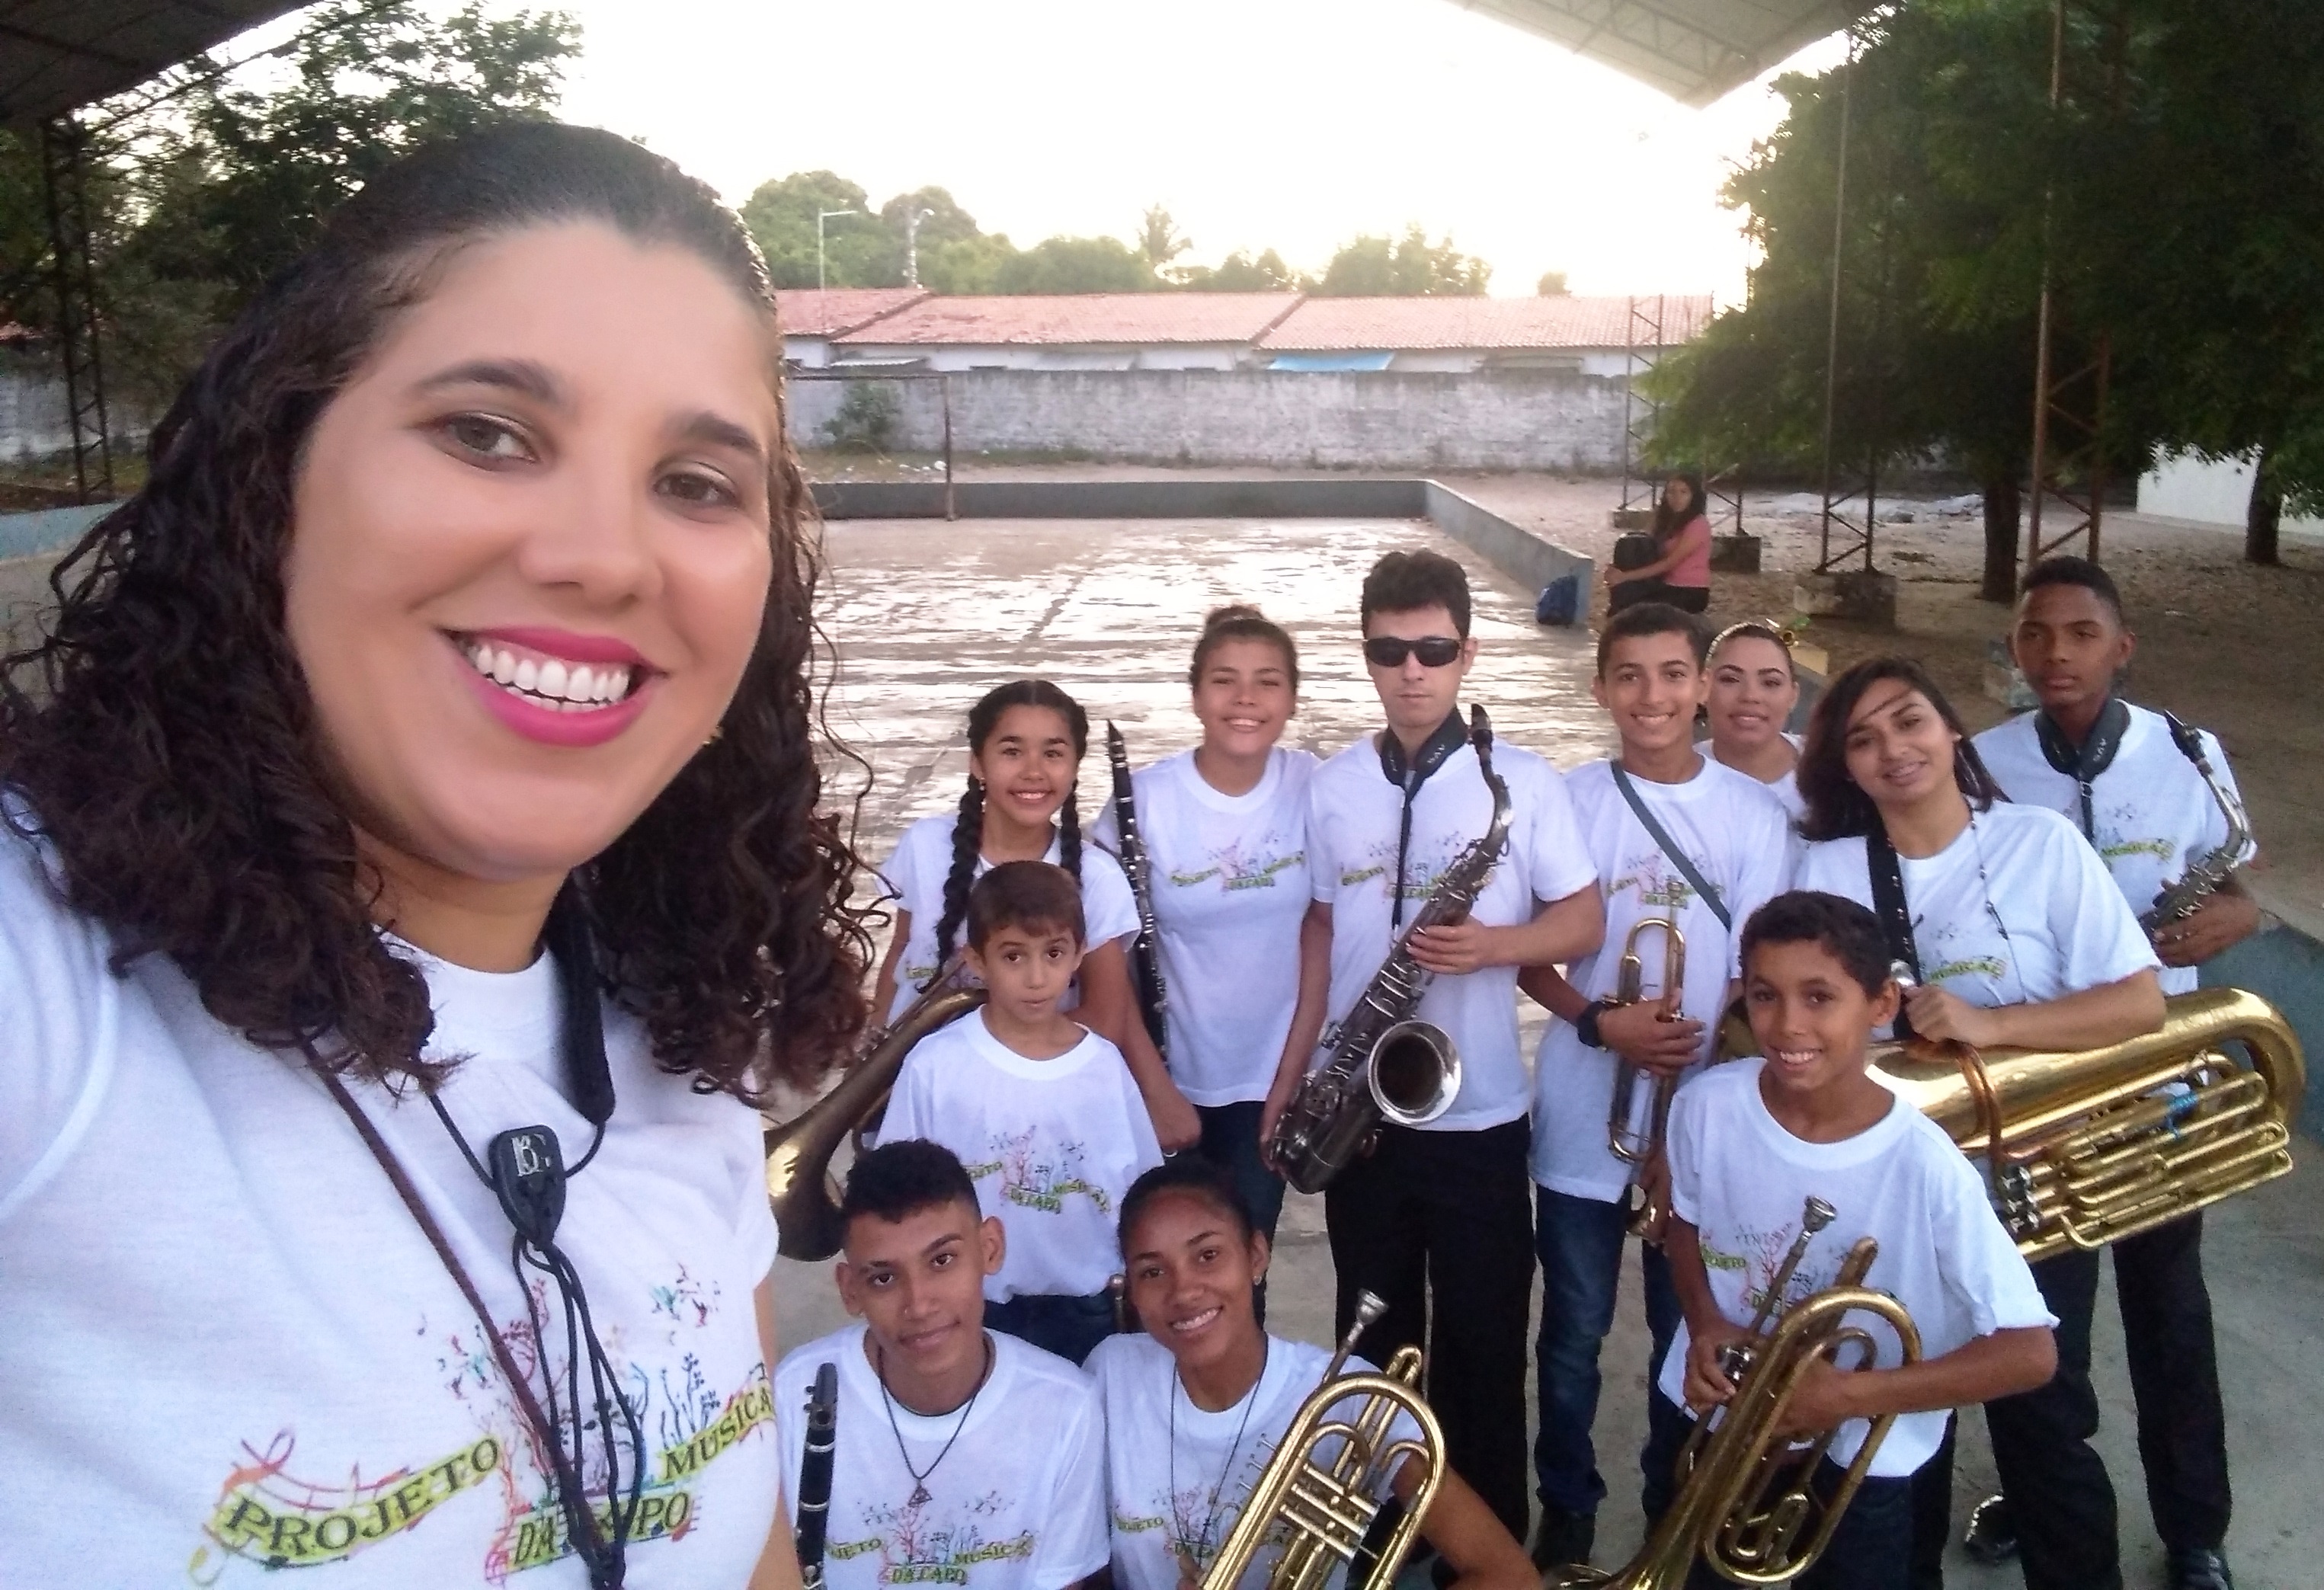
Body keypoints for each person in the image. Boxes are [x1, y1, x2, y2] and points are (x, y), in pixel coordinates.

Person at [0, 123, 864, 1586]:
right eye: (487, 434)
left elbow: (753, 1546)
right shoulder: (50, 985)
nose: (605, 555)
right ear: (276, 464)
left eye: (696, 482)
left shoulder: (682, 1047)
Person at [1793, 655, 2167, 1590]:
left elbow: (2136, 1002)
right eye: (1862, 739)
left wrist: (1993, 1026)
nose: (1892, 749)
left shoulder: (2039, 841)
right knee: (1899, 1423)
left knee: (2044, 1409)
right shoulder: (1830, 867)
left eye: (1908, 720)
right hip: (1894, 1189)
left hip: (2034, 1175)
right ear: (1845, 767)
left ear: (1950, 728)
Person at [1262, 547, 1604, 1539]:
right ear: (1365, 653)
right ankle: (1380, 1527)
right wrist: (1295, 1074)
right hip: (1359, 1114)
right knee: (1370, 1340)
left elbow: (1581, 919)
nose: (1411, 670)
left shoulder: (1521, 785)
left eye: (1433, 649)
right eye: (1389, 650)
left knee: (1483, 1346)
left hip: (1478, 1117)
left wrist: (1492, 944)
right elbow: (1319, 929)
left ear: (1467, 652)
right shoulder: (1332, 785)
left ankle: (1481, 1546)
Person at [1967, 556, 2258, 1590]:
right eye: (2034, 632)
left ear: (2121, 646)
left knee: (2167, 1307)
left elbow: (2235, 884)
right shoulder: (1979, 761)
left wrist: (2235, 919)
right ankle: (2043, 1492)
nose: (2054, 653)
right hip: (2040, 1080)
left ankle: (2194, 1527)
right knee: (2044, 1309)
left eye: (2080, 633)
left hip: (2158, 1074)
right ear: (2014, 643)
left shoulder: (2186, 751)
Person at [1654, 891, 2059, 1590]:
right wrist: (1706, 1321)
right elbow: (1684, 1225)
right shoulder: (1707, 1105)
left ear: (1881, 1004)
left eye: (1819, 997)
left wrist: (1846, 1394)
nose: (1788, 1023)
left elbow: (2029, 1353)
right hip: (1715, 1418)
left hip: (1854, 1468)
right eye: (1764, 995)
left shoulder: (1926, 1166)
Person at [1520, 602, 1793, 1570]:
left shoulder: (1753, 814)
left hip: (1700, 1121)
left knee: (1691, 1336)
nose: (1652, 695)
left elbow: (1758, 975)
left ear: (1701, 687)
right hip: (1580, 1117)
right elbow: (1530, 960)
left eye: (1673, 673)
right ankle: (1567, 1502)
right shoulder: (1567, 800)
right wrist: (1603, 1021)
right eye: (1629, 675)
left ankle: (1673, 1502)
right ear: (1599, 688)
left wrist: (1691, 1077)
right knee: (1572, 1333)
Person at [1089, 1158, 1538, 1590]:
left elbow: (1510, 1576)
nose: (1184, 1291)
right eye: (1152, 1271)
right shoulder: (1113, 1374)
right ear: (1130, 1288)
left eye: (1208, 1255)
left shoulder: (1348, 1400)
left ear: (1256, 1255)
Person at [872, 678, 1199, 1152]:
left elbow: (1105, 1019)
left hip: (1031, 1101)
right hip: (919, 1090)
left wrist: (980, 1065)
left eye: (1053, 753)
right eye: (1011, 751)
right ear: (977, 763)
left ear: (1075, 766)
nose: (1033, 771)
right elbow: (902, 955)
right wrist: (875, 1056)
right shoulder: (924, 845)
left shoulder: (1097, 877)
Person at [1090, 604, 1315, 1284]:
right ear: (1195, 696)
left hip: (1270, 1085)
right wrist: (1154, 1087)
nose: (1245, 699)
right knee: (1155, 1278)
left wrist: (1291, 1081)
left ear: (1292, 698)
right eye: (1224, 680)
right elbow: (1107, 963)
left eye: (1267, 681)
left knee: (1241, 1278)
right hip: (1165, 1077)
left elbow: (1327, 935)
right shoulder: (1143, 801)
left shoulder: (1316, 787)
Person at [773, 1140, 1107, 1590]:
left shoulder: (1066, 1407)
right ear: (851, 1290)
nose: (919, 1305)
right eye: (884, 1278)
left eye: (942, 1260)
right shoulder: (794, 1390)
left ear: (990, 1248)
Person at [873, 860, 1163, 1365]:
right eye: (1013, 956)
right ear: (976, 960)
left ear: (1079, 955)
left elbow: (1141, 1190)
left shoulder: (1104, 1066)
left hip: (1090, 1309)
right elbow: (899, 1191)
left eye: (1054, 953)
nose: (1036, 977)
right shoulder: (935, 1065)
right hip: (975, 1306)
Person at [1705, 619, 1807, 825]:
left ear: (1793, 695)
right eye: (1730, 679)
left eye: (1771, 682)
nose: (1751, 696)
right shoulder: (1675, 779)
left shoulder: (1833, 765)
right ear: (1702, 688)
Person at [1606, 473, 1713, 615]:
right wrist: (1617, 568)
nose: (1677, 497)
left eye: (1684, 492)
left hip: (1689, 590)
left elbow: (1669, 563)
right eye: (1671, 492)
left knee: (1631, 607)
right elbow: (1646, 547)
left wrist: (1624, 576)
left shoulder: (1698, 524)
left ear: (1694, 496)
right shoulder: (1667, 520)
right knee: (1623, 593)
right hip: (1664, 584)